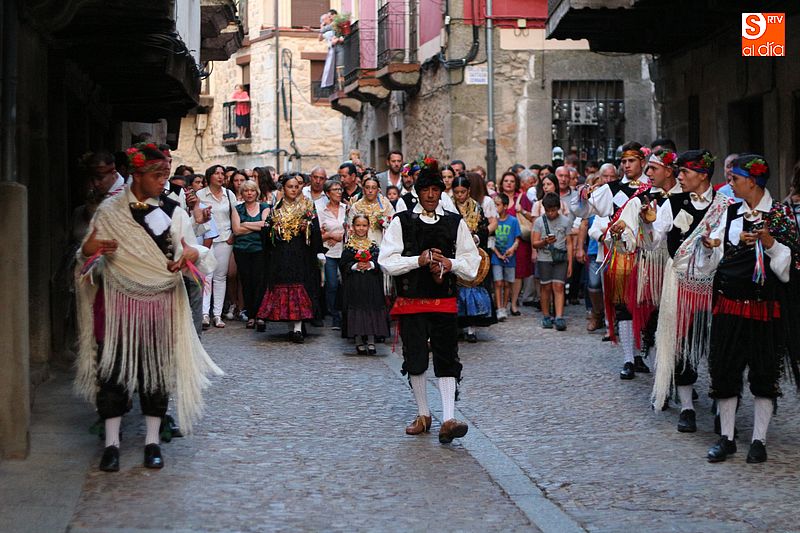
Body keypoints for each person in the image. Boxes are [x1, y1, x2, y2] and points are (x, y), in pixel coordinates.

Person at [75, 143, 221, 472]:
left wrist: (191, 255)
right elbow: (87, 255)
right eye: (157, 176)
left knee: (155, 373)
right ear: (137, 175)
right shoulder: (110, 210)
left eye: (165, 176)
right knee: (111, 373)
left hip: (159, 302)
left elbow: (191, 249)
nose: (162, 182)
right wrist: (90, 250)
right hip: (117, 303)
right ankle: (111, 445)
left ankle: (152, 442)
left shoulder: (173, 210)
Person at [699, 154, 800, 463]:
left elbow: (789, 269)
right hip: (729, 305)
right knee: (725, 369)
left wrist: (770, 244)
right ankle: (727, 438)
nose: (730, 183)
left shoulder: (780, 215)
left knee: (764, 372)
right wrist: (709, 246)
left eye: (735, 179)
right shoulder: (729, 212)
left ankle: (759, 440)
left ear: (752, 182)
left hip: (764, 307)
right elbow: (713, 261)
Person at [379, 162, 480, 444]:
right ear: (418, 192)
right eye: (426, 190)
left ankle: (448, 419)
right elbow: (386, 261)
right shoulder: (402, 221)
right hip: (411, 300)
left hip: (444, 300)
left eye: (436, 189)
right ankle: (424, 414)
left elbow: (472, 263)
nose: (431, 195)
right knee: (416, 358)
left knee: (447, 357)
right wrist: (418, 260)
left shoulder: (454, 222)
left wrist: (450, 263)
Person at [633, 150, 727, 428]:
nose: (680, 177)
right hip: (680, 283)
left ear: (703, 175)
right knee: (681, 342)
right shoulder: (672, 203)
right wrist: (647, 223)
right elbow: (651, 243)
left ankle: (723, 403)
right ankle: (687, 407)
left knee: (718, 344)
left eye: (685, 172)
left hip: (715, 282)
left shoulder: (724, 206)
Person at [256, 174, 324, 342]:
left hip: (301, 252)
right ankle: (290, 326)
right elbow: (267, 230)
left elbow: (316, 231)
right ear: (283, 188)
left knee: (299, 287)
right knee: (284, 287)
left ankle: (298, 328)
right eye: (290, 187)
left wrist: (306, 228)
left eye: (296, 186)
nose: (293, 189)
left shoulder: (307, 205)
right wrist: (274, 229)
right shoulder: (276, 207)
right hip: (281, 253)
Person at [339, 214, 390, 354]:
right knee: (357, 311)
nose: (361, 228)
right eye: (358, 225)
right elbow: (343, 265)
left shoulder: (373, 246)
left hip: (371, 284)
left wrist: (371, 264)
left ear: (368, 227)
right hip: (355, 285)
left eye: (364, 225)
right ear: (353, 227)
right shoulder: (349, 247)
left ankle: (372, 341)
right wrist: (354, 266)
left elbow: (380, 263)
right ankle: (359, 341)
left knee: (371, 310)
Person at [453, 176, 495, 342]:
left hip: (473, 251)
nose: (460, 195)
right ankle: (458, 326)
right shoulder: (449, 207)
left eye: (463, 192)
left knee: (472, 286)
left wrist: (476, 238)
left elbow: (484, 227)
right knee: (457, 288)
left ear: (468, 191)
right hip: (455, 251)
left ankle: (471, 328)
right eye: (457, 192)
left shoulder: (477, 208)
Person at [196, 164, 237, 329]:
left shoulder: (229, 194)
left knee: (221, 277)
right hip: (206, 239)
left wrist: (233, 234)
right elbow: (195, 217)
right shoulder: (200, 194)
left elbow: (235, 215)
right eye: (216, 173)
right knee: (206, 276)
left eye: (222, 173)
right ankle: (204, 313)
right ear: (209, 176)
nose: (220, 176)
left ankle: (218, 315)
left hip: (225, 239)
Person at [532, 193, 573, 330]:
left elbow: (569, 243)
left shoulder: (566, 221)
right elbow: (534, 243)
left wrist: (570, 263)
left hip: (561, 258)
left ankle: (559, 316)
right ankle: (546, 315)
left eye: (553, 210)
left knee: (559, 286)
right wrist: (544, 242)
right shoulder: (539, 222)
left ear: (558, 208)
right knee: (546, 287)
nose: (551, 213)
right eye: (548, 210)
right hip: (544, 258)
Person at [231, 180, 269, 330]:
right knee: (247, 283)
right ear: (242, 193)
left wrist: (245, 224)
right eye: (246, 191)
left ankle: (260, 315)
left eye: (252, 190)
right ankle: (251, 315)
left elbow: (266, 225)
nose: (249, 193)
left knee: (260, 282)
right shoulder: (237, 209)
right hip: (242, 250)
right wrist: (256, 226)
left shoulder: (264, 207)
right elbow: (236, 230)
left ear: (256, 192)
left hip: (260, 249)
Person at [318, 180, 347, 330]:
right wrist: (330, 235)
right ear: (328, 193)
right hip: (329, 252)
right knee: (332, 284)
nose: (339, 192)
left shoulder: (346, 208)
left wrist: (340, 236)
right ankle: (335, 316)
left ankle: (346, 315)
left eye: (340, 189)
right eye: (335, 190)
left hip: (345, 251)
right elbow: (318, 235)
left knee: (346, 284)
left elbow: (352, 228)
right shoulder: (322, 211)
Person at [491, 193, 521, 321]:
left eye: (497, 205)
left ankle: (504, 306)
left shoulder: (513, 221)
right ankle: (499, 308)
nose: (495, 208)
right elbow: (490, 240)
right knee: (498, 282)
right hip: (496, 256)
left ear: (505, 206)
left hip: (510, 257)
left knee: (508, 283)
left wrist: (513, 248)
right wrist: (498, 254)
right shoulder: (493, 221)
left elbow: (517, 239)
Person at [348, 176, 395, 245]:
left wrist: (383, 223)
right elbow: (350, 227)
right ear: (363, 189)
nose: (370, 191)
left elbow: (393, 225)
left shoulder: (385, 205)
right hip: (360, 244)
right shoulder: (356, 206)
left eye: (374, 188)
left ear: (378, 190)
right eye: (367, 187)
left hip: (381, 242)